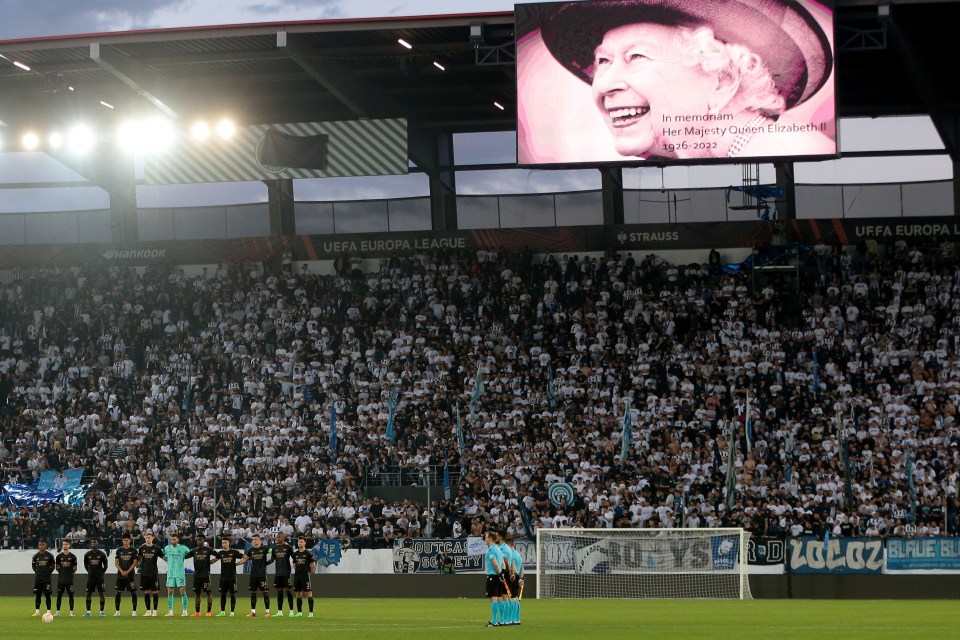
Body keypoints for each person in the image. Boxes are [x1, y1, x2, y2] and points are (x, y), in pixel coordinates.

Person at [530, 0, 834, 161]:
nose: (604, 84)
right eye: (603, 62)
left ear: (723, 80)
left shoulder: (791, 154)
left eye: (637, 56)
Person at [186, 533, 219, 617]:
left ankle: (208, 612)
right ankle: (197, 612)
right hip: (197, 575)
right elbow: (185, 556)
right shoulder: (194, 550)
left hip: (205, 575)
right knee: (197, 593)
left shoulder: (208, 550)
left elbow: (218, 556)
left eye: (200, 539)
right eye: (197, 539)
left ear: (204, 540)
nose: (199, 541)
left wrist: (212, 561)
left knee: (208, 593)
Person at [241, 533, 274, 617]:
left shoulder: (265, 548)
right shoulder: (251, 550)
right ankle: (253, 612)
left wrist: (268, 562)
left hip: (262, 574)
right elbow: (246, 559)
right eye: (253, 540)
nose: (254, 541)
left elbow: (273, 553)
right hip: (253, 574)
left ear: (259, 540)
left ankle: (267, 612)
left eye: (255, 539)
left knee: (265, 593)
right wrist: (237, 564)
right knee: (253, 593)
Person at [162, 532, 191, 617]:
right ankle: (170, 611)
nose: (173, 541)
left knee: (182, 591)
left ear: (178, 540)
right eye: (171, 539)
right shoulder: (167, 548)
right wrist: (169, 561)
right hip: (170, 573)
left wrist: (181, 561)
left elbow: (189, 554)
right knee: (170, 591)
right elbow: (163, 556)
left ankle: (185, 611)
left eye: (174, 539)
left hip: (180, 573)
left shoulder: (183, 548)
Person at [138, 530, 165, 617]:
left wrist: (172, 561)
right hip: (144, 573)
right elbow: (138, 559)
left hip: (153, 573)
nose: (147, 539)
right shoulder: (141, 548)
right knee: (146, 592)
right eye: (146, 538)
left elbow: (164, 558)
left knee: (155, 592)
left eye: (149, 537)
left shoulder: (156, 549)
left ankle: (155, 611)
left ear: (152, 538)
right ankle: (148, 610)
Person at [216, 538, 244, 617]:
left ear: (229, 543)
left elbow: (245, 557)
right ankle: (222, 612)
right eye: (222, 543)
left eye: (225, 542)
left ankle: (232, 612)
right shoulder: (220, 553)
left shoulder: (234, 552)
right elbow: (214, 560)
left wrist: (238, 563)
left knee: (232, 595)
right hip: (223, 577)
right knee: (223, 595)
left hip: (232, 577)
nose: (223, 544)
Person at [483, 530, 505, 628]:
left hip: (493, 576)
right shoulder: (498, 548)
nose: (485, 538)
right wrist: (502, 573)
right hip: (498, 576)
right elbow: (503, 563)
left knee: (493, 598)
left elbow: (495, 563)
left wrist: (499, 574)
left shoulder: (491, 550)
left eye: (486, 537)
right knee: (500, 598)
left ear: (491, 538)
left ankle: (494, 621)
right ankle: (502, 620)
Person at [114, 533, 139, 616]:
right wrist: (121, 571)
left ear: (130, 541)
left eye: (127, 540)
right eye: (124, 540)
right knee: (118, 592)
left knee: (133, 592)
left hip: (130, 575)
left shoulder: (134, 551)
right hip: (120, 575)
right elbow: (116, 563)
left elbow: (135, 563)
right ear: (122, 541)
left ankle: (134, 611)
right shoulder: (119, 551)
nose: (125, 542)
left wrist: (127, 571)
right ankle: (117, 611)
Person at [291, 535, 316, 618]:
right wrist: (297, 570)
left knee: (308, 593)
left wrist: (311, 572)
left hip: (305, 575)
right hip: (297, 575)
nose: (300, 543)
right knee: (298, 593)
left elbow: (313, 564)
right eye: (298, 541)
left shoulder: (309, 553)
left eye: (301, 541)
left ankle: (311, 612)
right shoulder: (295, 554)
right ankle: (299, 612)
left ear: (305, 543)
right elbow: (294, 564)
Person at [271, 532, 295, 617]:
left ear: (283, 537)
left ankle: (291, 611)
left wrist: (295, 567)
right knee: (279, 592)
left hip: (286, 573)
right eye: (277, 537)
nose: (277, 538)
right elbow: (272, 559)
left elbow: (294, 558)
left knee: (288, 591)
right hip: (278, 573)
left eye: (279, 537)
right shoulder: (274, 548)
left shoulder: (288, 547)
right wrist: (263, 563)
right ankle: (279, 611)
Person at [83, 538, 108, 617]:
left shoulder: (102, 554)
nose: (93, 543)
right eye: (92, 542)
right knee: (88, 593)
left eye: (95, 542)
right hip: (91, 578)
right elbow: (85, 565)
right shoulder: (87, 554)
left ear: (98, 543)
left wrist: (101, 572)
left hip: (99, 578)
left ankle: (101, 611)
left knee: (101, 593)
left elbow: (105, 566)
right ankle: (88, 611)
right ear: (91, 544)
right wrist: (90, 571)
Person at [54, 539, 78, 617]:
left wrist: (70, 574)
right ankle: (57, 611)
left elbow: (75, 568)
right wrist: (62, 573)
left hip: (69, 580)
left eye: (66, 544)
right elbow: (57, 567)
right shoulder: (59, 556)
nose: (65, 546)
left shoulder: (73, 557)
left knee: (70, 595)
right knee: (59, 595)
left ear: (69, 545)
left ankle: (71, 612)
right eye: (63, 544)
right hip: (61, 579)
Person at [31, 539, 55, 618]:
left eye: (43, 545)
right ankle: (37, 611)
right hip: (38, 579)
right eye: (40, 545)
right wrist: (37, 572)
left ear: (46, 546)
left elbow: (53, 566)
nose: (41, 546)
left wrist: (48, 572)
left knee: (47, 595)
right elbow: (33, 566)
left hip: (46, 579)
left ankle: (49, 611)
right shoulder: (35, 556)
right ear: (38, 546)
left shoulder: (50, 556)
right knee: (38, 595)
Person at [507, 536, 525, 626]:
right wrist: (521, 578)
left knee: (512, 598)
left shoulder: (511, 555)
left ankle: (512, 619)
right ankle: (517, 619)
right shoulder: (518, 554)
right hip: (518, 577)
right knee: (516, 598)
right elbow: (522, 567)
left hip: (513, 577)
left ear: (509, 545)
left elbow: (512, 567)